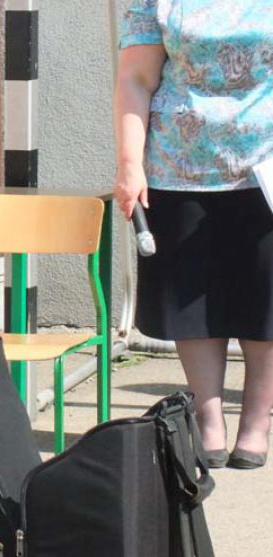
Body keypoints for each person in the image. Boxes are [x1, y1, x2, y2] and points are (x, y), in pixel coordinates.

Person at [114, 1, 273, 469]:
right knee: (191, 302)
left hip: (266, 167)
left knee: (267, 299)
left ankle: (257, 421)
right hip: (178, 168)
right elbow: (136, 78)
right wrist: (130, 164)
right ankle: (208, 419)